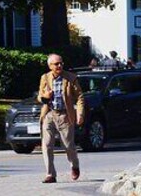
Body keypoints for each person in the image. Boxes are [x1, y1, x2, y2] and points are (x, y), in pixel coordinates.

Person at [37, 53, 85, 183]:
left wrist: (79, 114)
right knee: (46, 145)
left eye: (61, 63)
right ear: (50, 66)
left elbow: (80, 97)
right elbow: (40, 96)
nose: (59, 66)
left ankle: (74, 166)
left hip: (65, 115)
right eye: (56, 64)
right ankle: (50, 174)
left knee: (68, 145)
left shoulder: (71, 78)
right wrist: (45, 96)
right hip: (49, 114)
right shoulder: (45, 78)